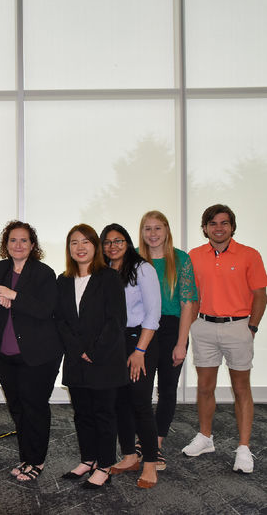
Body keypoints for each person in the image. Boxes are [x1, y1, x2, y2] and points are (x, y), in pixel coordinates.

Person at [0, 220, 62, 482]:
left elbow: (45, 309)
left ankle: (37, 460)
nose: (18, 245)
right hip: (5, 355)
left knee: (35, 407)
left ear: (33, 245)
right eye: (12, 240)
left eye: (23, 240)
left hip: (38, 355)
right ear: (5, 245)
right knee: (18, 408)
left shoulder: (44, 273)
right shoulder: (1, 268)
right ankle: (26, 455)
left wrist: (13, 294)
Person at [182, 204, 267, 474]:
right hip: (204, 327)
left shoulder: (249, 255)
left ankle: (243, 448)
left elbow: (260, 295)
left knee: (241, 388)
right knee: (205, 386)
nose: (219, 228)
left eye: (224, 223)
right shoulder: (194, 256)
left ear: (232, 227)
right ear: (205, 228)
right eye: (213, 223)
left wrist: (251, 328)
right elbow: (190, 297)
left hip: (238, 327)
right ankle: (205, 438)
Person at [55, 224, 127, 489]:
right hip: (75, 360)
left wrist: (92, 351)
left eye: (85, 242)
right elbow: (60, 320)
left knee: (104, 414)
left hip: (104, 360)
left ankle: (105, 465)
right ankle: (88, 459)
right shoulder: (63, 281)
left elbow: (116, 321)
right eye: (74, 243)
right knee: (82, 413)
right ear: (69, 249)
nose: (80, 247)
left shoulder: (108, 277)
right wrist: (77, 350)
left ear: (95, 247)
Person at [100, 223, 161, 489]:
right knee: (118, 403)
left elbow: (153, 314)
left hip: (140, 341)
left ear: (128, 243)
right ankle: (129, 456)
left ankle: (149, 463)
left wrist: (139, 352)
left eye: (119, 241)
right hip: (115, 342)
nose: (113, 246)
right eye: (107, 242)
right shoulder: (104, 272)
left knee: (139, 403)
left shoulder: (143, 269)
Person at [137, 211, 198, 469]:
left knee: (167, 390)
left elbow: (187, 304)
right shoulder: (136, 260)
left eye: (157, 228)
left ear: (167, 230)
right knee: (140, 389)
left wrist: (181, 342)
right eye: (147, 228)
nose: (152, 234)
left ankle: (157, 444)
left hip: (172, 328)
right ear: (141, 233)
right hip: (144, 330)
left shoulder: (181, 259)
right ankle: (143, 440)